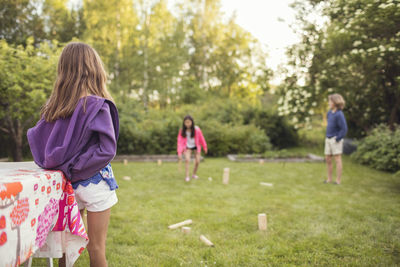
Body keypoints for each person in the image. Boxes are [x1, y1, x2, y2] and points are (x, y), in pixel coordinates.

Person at [27, 42, 119, 267]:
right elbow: (107, 150)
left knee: (65, 251)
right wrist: (77, 168)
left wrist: (65, 170)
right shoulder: (97, 105)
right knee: (96, 248)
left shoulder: (54, 108)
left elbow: (41, 144)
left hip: (65, 187)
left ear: (64, 71)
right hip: (95, 183)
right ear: (94, 69)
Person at [324, 93, 348, 185]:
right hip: (328, 138)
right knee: (328, 159)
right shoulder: (329, 113)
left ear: (335, 102)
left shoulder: (339, 114)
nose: (329, 103)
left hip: (335, 139)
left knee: (337, 159)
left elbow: (344, 129)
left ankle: (338, 180)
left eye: (330, 101)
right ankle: (329, 179)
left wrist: (337, 138)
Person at [177, 115, 208, 182]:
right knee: (187, 160)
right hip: (187, 147)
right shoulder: (182, 131)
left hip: (196, 146)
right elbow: (180, 142)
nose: (187, 124)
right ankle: (187, 176)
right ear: (184, 123)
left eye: (189, 122)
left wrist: (205, 146)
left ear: (192, 122)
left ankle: (193, 174)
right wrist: (179, 152)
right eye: (186, 122)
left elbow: (201, 138)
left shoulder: (197, 129)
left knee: (197, 161)